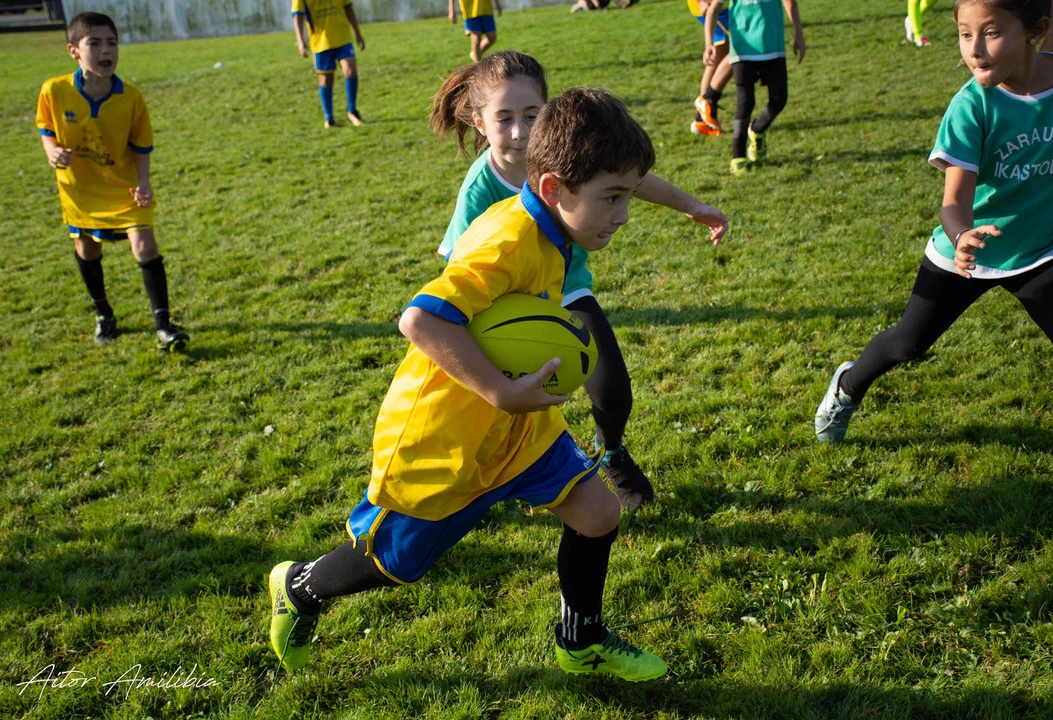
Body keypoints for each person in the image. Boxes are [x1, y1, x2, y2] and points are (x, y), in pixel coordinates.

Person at [268, 87, 671, 682]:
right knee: (393, 563)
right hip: (449, 437)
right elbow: (421, 320)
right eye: (612, 198)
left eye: (628, 196)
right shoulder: (509, 240)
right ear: (554, 188)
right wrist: (503, 392)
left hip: (519, 428)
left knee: (598, 513)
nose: (623, 215)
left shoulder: (554, 230)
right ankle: (300, 588)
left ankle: (581, 641)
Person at [428, 50, 729, 513]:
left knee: (612, 389)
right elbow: (460, 267)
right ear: (479, 121)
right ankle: (471, 483)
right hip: (508, 304)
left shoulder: (563, 156)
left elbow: (628, 179)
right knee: (493, 410)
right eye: (505, 118)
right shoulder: (479, 189)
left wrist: (692, 206)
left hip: (566, 285)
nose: (520, 131)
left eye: (531, 115)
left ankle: (612, 454)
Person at [815, 0, 1053, 444]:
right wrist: (962, 235)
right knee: (907, 345)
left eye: (991, 33)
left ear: (1037, 29)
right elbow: (954, 202)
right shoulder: (972, 107)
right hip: (967, 251)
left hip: (1045, 249)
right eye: (965, 34)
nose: (974, 49)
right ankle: (847, 386)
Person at [36, 12, 189, 351]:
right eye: (95, 43)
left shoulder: (130, 97)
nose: (106, 51)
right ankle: (104, 315)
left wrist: (144, 182)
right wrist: (51, 150)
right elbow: (45, 126)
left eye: (112, 43)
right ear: (74, 51)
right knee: (87, 249)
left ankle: (163, 325)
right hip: (80, 189)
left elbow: (141, 145)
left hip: (124, 186)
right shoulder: (54, 90)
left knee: (145, 245)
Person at [706, 0, 805, 175]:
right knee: (745, 102)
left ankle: (757, 130)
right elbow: (713, 9)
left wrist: (799, 35)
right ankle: (738, 156)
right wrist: (709, 44)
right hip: (743, 49)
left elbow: (791, 4)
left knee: (779, 99)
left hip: (772, 46)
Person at [292, 0, 365, 127]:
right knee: (326, 80)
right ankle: (329, 118)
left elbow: (348, 7)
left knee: (351, 71)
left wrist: (357, 33)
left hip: (343, 37)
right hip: (321, 41)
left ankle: (352, 111)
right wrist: (300, 41)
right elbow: (298, 15)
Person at [690, 0, 733, 136]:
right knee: (742, 47)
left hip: (720, 5)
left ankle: (702, 119)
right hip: (714, 6)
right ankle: (708, 100)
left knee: (719, 53)